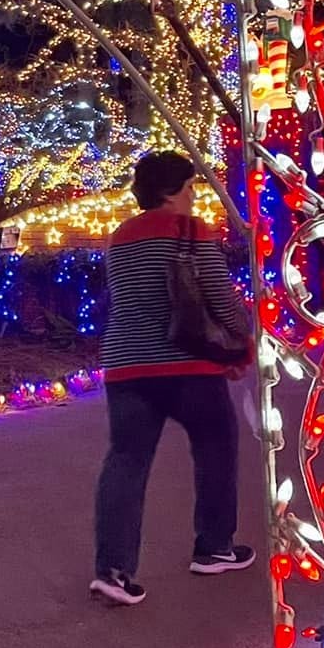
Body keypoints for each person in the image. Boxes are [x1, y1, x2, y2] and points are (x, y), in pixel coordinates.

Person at [91, 151, 255, 607]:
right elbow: (218, 299)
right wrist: (244, 341)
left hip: (126, 366)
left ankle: (113, 570)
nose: (193, 197)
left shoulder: (119, 238)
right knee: (216, 445)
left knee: (126, 460)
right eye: (189, 188)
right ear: (171, 191)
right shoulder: (190, 231)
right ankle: (214, 546)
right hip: (187, 367)